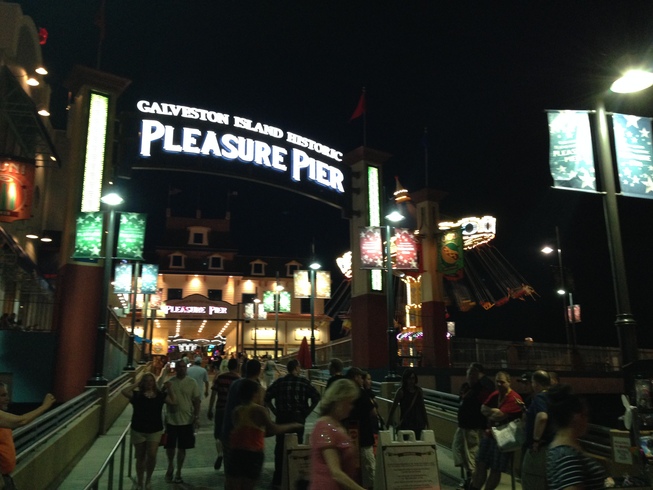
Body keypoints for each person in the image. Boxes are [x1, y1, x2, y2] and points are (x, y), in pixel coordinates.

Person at [228, 379, 302, 489]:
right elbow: (273, 429)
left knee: (236, 485)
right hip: (253, 454)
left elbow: (248, 431)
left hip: (236, 452)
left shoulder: (236, 411)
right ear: (255, 394)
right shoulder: (259, 410)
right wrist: (293, 425)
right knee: (248, 485)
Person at [265, 359, 321, 487]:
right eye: (299, 367)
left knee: (280, 447)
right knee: (296, 447)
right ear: (296, 368)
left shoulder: (280, 382)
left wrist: (275, 411)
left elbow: (267, 397)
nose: (300, 369)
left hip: (282, 418)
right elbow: (317, 397)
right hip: (298, 418)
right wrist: (306, 413)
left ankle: (278, 478)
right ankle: (294, 477)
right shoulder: (304, 382)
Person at [469, 371, 525, 490]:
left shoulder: (514, 398)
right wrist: (493, 412)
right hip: (490, 435)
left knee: (496, 469)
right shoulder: (496, 394)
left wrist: (491, 412)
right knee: (480, 464)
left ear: (509, 382)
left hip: (504, 439)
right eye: (497, 381)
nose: (499, 384)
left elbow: (498, 416)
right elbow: (483, 408)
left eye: (502, 382)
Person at [121, 372, 176, 490]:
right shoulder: (137, 395)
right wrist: (136, 384)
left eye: (151, 381)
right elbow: (124, 391)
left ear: (154, 382)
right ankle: (140, 480)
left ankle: (148, 479)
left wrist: (170, 388)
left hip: (154, 429)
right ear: (143, 383)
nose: (149, 383)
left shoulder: (160, 395)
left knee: (152, 455)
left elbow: (173, 401)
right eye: (146, 381)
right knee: (140, 457)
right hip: (138, 429)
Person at [309, 378, 365, 490]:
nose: (351, 407)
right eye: (349, 402)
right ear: (339, 401)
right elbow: (336, 472)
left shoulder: (336, 425)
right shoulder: (324, 427)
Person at [546, 385, 605, 490]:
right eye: (585, 415)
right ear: (576, 416)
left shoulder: (563, 447)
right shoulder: (566, 455)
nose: (587, 421)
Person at [0, 385, 55, 489]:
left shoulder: (4, 420)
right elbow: (21, 421)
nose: (7, 399)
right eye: (3, 395)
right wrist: (44, 406)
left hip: (5, 477)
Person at [453, 363, 495, 489]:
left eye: (472, 374)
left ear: (477, 374)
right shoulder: (468, 387)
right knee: (458, 448)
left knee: (471, 454)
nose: (469, 376)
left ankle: (473, 482)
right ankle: (471, 478)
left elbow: (485, 406)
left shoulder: (482, 387)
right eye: (468, 373)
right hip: (464, 425)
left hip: (473, 426)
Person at [157, 361, 201, 484]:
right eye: (179, 367)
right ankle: (170, 465)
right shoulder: (170, 382)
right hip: (171, 419)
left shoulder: (192, 382)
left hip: (186, 420)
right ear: (175, 369)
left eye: (183, 367)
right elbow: (159, 395)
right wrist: (164, 385)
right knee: (170, 447)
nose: (181, 369)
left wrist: (196, 417)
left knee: (182, 447)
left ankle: (179, 472)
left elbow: (196, 400)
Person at [221, 359, 262, 487]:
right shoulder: (254, 387)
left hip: (228, 432)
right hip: (244, 440)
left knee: (231, 475)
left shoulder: (235, 384)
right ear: (259, 371)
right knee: (245, 478)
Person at [344, 368, 376, 489]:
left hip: (349, 435)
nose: (362, 380)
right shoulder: (361, 393)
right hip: (364, 435)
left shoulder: (345, 393)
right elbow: (373, 412)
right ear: (355, 377)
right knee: (368, 466)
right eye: (360, 377)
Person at [521, 370, 552, 490]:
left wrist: (536, 440)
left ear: (536, 384)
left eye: (533, 382)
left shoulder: (540, 397)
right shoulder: (554, 397)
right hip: (552, 446)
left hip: (540, 448)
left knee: (532, 480)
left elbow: (542, 417)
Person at [207, 357, 240, 470]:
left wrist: (210, 409)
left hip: (220, 409)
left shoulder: (220, 378)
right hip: (233, 411)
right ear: (237, 367)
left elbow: (213, 394)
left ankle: (220, 453)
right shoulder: (238, 379)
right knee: (231, 434)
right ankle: (230, 457)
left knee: (218, 434)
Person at [386, 368, 429, 439]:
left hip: (418, 423)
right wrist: (388, 422)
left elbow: (422, 407)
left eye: (413, 378)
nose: (411, 381)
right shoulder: (401, 392)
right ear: (405, 379)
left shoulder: (418, 391)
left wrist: (427, 423)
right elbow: (393, 408)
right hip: (406, 423)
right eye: (409, 378)